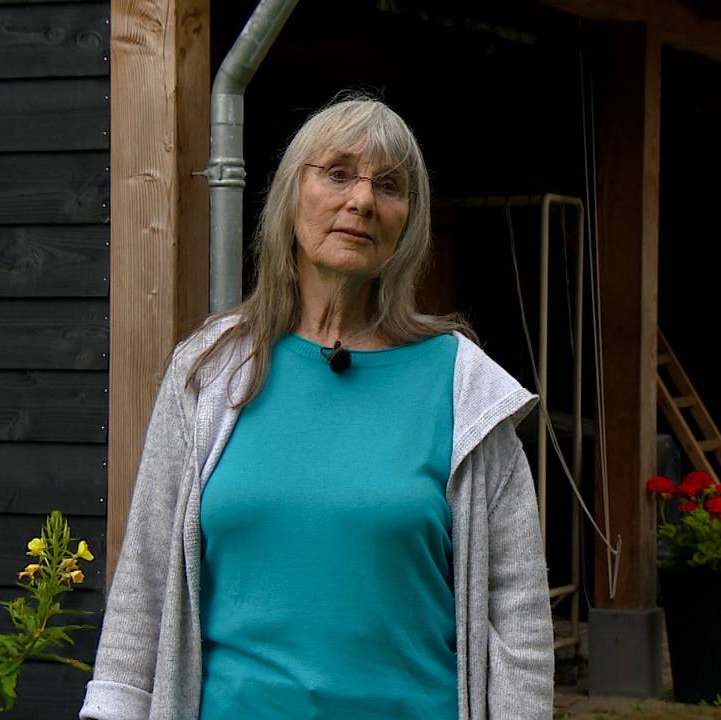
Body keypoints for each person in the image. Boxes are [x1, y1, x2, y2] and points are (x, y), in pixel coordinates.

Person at [80, 95, 553, 720]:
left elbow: (518, 617)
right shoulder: (212, 370)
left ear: (409, 221)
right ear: (290, 194)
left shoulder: (467, 390)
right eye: (338, 174)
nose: (362, 201)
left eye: (389, 186)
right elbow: (146, 576)